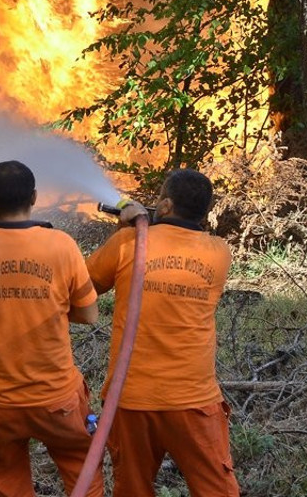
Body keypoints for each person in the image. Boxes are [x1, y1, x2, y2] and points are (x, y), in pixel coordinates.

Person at [0, 160, 104, 497]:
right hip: (57, 400)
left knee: (8, 482)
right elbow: (90, 315)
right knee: (81, 468)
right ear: (35, 197)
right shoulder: (63, 245)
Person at [85, 168, 240, 497]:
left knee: (132, 489)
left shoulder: (127, 242)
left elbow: (87, 286)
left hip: (130, 401)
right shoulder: (219, 252)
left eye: (159, 200)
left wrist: (125, 230)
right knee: (217, 489)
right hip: (193, 402)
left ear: (165, 205)